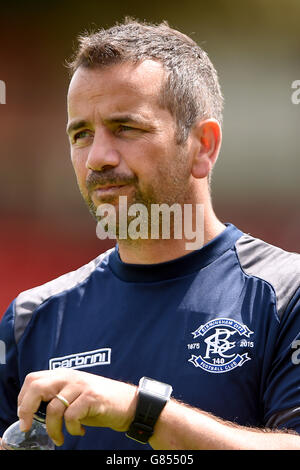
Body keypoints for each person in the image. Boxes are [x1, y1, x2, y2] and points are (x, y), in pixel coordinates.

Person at [0, 17, 300, 451]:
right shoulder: (31, 318)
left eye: (125, 128)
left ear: (203, 146)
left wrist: (141, 413)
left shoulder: (286, 294)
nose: (97, 157)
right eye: (81, 133)